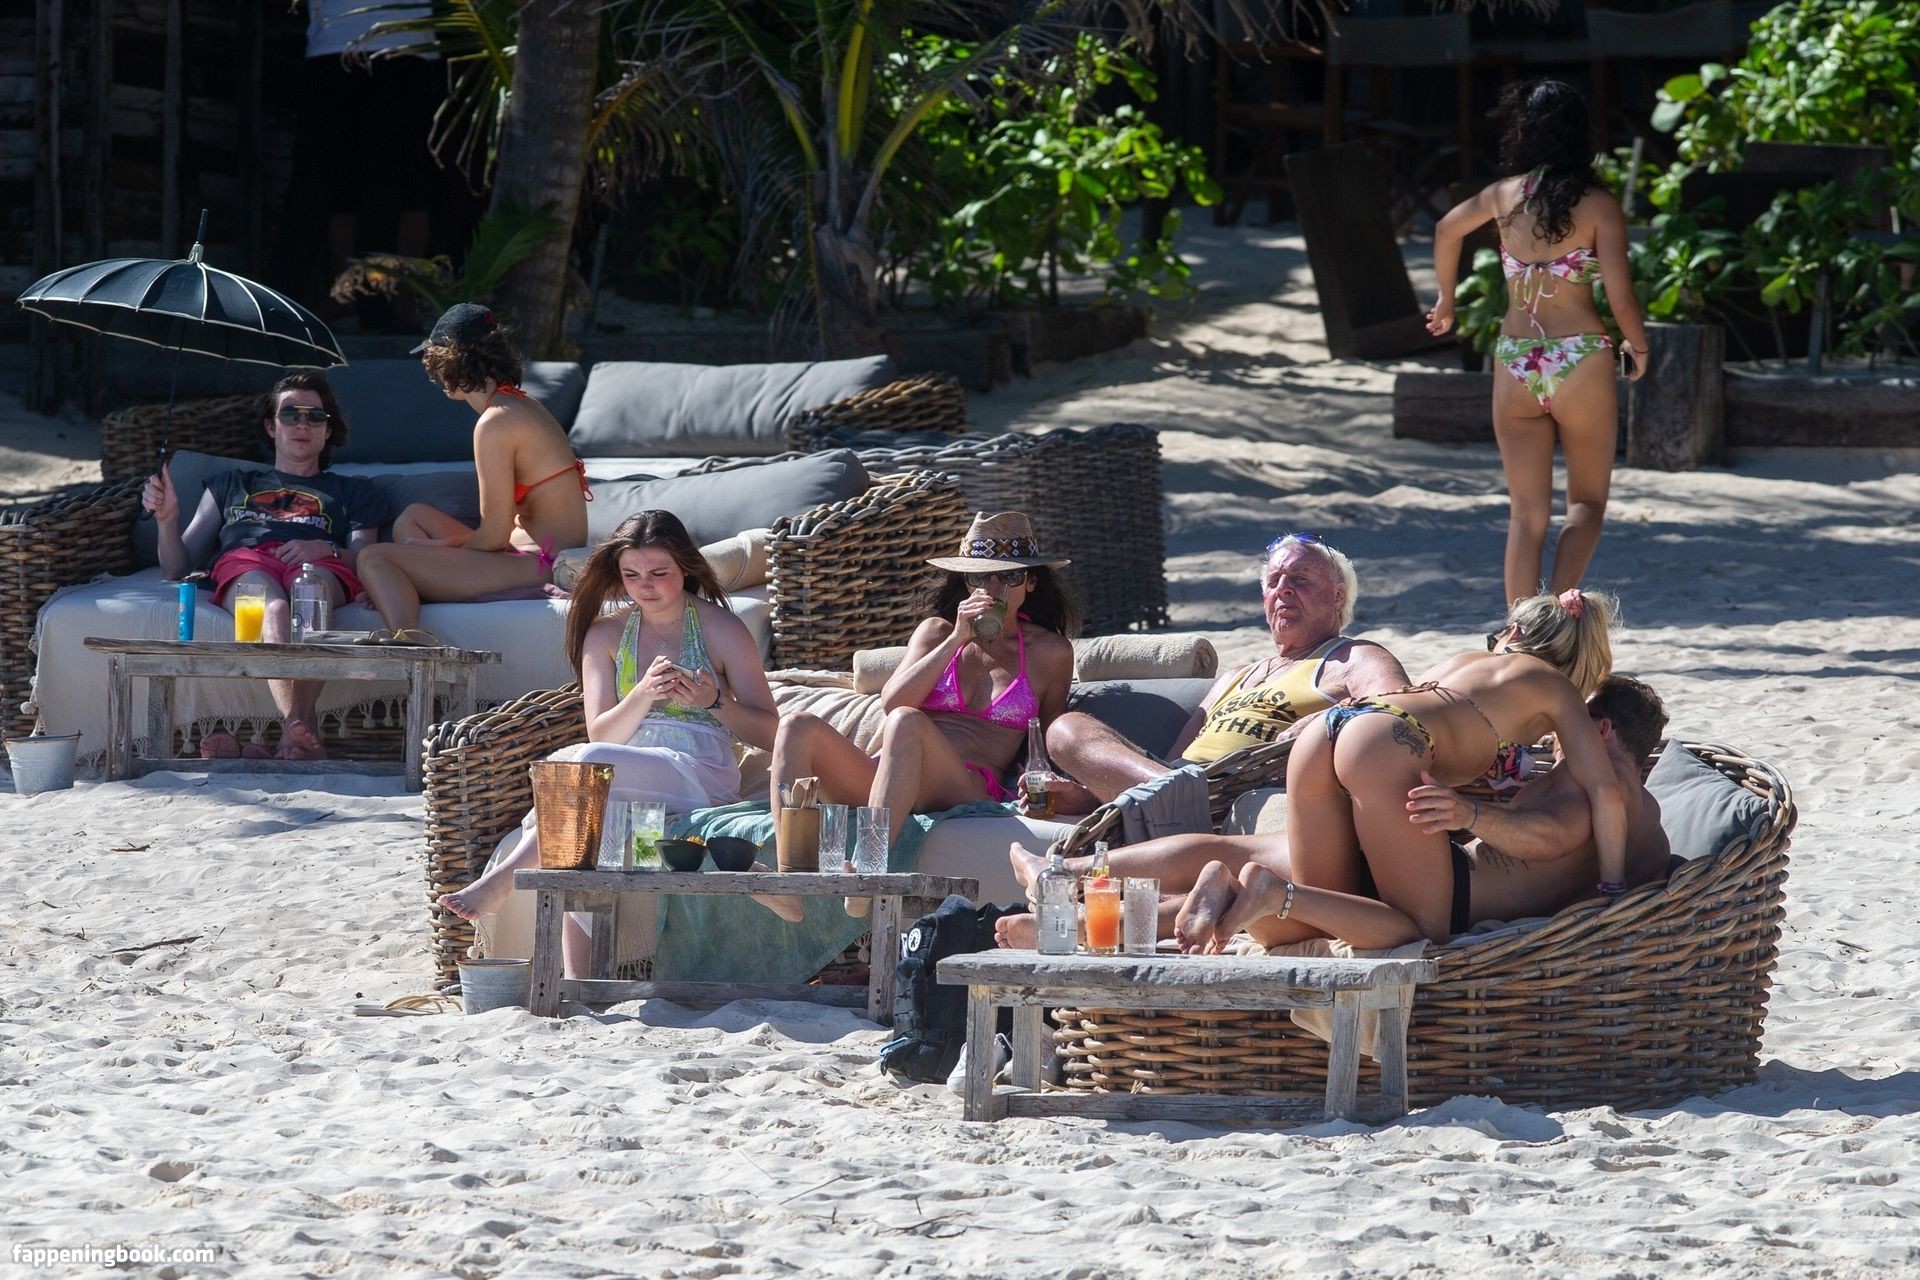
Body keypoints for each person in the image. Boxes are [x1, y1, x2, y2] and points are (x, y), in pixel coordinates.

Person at [997, 674, 1671, 952]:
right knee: (1387, 924)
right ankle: (1251, 895)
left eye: (1569, 732)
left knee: (1235, 854)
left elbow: (1555, 836)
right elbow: (1574, 854)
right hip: (1446, 877)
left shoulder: (1601, 785)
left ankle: (1068, 890)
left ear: (1602, 729)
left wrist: (1472, 815)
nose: (1556, 742)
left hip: (1438, 853)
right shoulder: (1628, 806)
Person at [1182, 587, 1627, 951]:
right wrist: (1612, 887)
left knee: (1323, 918)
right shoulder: (1557, 688)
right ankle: (1268, 888)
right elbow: (1605, 791)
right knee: (1418, 937)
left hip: (1328, 732)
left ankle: (1232, 888)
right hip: (1387, 743)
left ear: (1512, 631)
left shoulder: (1466, 661)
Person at [438, 510, 780, 974]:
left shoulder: (722, 629)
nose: (645, 586)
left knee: (588, 767)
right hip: (623, 770)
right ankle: (580, 982)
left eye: (659, 573)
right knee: (587, 816)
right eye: (632, 575)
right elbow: (601, 730)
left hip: (699, 772)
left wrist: (714, 701)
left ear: (685, 568)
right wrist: (642, 694)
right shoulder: (606, 633)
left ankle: (503, 880)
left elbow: (770, 731)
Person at [1425, 80, 1652, 607]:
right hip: (1579, 357)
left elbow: (1445, 229)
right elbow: (1621, 298)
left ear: (1523, 131)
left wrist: (1446, 299)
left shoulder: (1502, 196)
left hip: (1515, 359)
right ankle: (1558, 613)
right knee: (1587, 503)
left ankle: (1520, 630)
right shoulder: (1599, 205)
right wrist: (1638, 348)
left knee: (1525, 514)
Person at [769, 511, 1077, 861]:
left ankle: (867, 864)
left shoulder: (1050, 652)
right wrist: (957, 639)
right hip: (892, 774)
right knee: (795, 726)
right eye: (979, 577)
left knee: (907, 721)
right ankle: (788, 870)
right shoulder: (937, 632)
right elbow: (892, 702)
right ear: (965, 582)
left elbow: (1051, 738)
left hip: (964, 782)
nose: (993, 589)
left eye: (1009, 576)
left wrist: (1052, 785)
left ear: (1031, 582)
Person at [1039, 533, 1409, 814]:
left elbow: (1404, 708)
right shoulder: (1236, 676)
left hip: (1244, 790)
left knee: (1171, 787)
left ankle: (1164, 801)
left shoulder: (1353, 657)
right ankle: (1166, 801)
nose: (1284, 590)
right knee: (1065, 729)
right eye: (1274, 581)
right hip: (1183, 785)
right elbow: (1172, 761)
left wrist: (1329, 718)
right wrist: (1089, 796)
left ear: (1338, 596)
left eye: (1300, 579)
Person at [141, 371, 388, 760]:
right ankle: (297, 727)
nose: (302, 424)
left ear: (328, 431)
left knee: (310, 592)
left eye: (315, 416)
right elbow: (176, 569)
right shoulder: (231, 484)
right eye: (290, 414)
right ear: (271, 426)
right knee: (272, 607)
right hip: (248, 560)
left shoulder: (354, 492)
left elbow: (367, 559)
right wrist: (167, 520)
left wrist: (324, 548)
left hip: (319, 563)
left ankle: (288, 733)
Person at [354, 303, 589, 634]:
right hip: (541, 554)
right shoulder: (524, 405)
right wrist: (436, 558)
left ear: (450, 363)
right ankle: (406, 585)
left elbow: (493, 537)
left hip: (541, 564)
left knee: (374, 558)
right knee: (413, 516)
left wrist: (436, 556)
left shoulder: (494, 423)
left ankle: (409, 642)